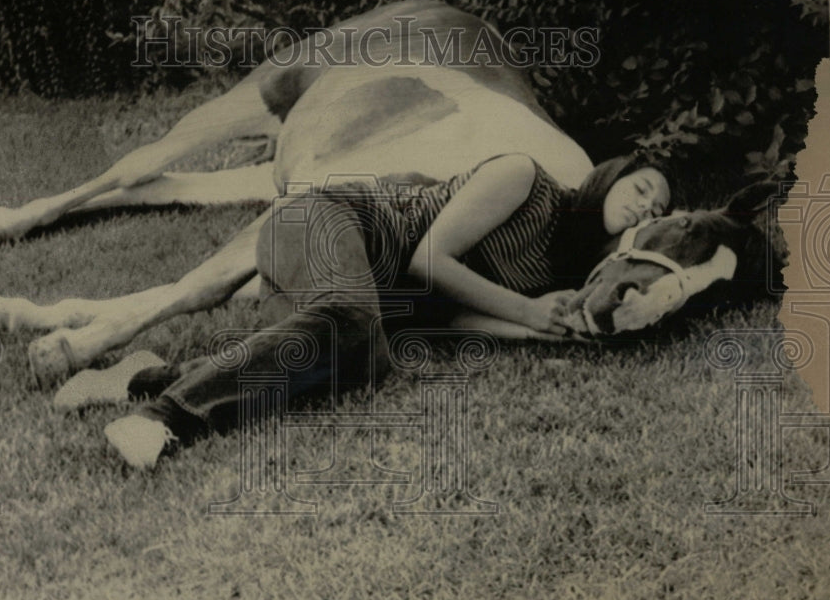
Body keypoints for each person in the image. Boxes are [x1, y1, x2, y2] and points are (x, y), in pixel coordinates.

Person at [104, 152, 671, 468]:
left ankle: (146, 377)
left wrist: (540, 331)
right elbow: (429, 261)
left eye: (658, 208)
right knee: (353, 327)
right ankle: (163, 417)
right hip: (324, 224)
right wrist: (526, 312)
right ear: (613, 174)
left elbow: (452, 318)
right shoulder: (524, 178)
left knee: (368, 360)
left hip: (344, 301)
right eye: (643, 187)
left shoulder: (558, 271)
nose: (645, 205)